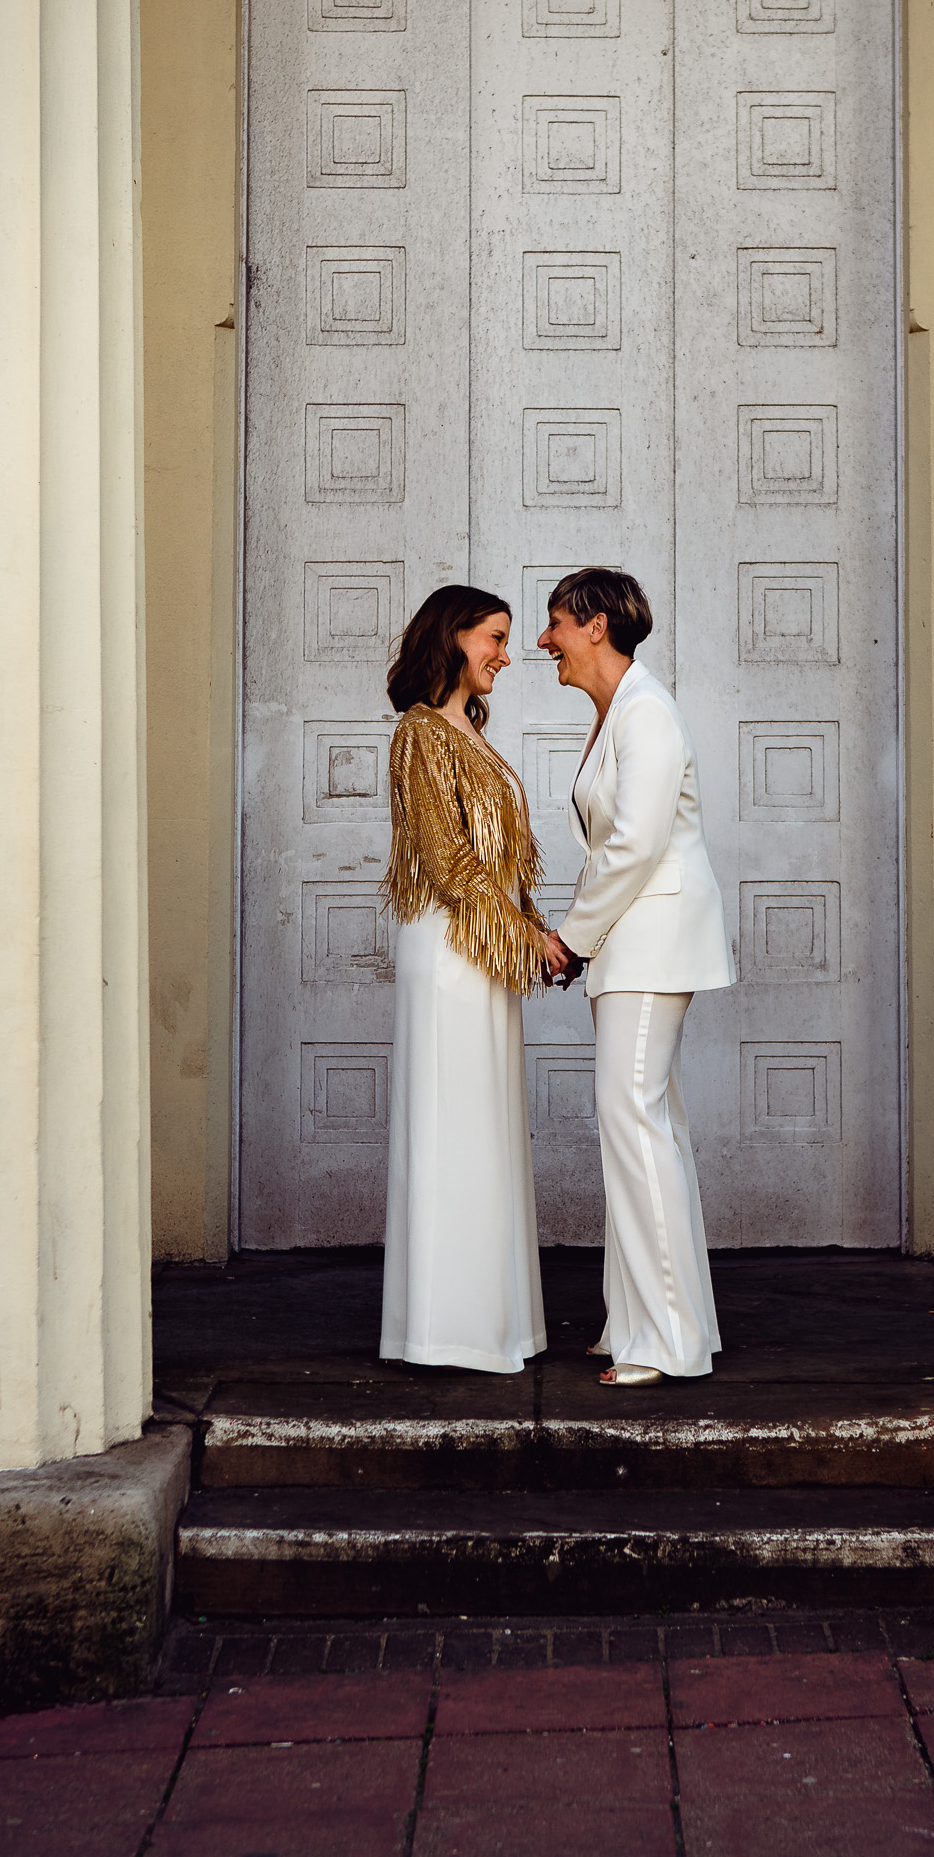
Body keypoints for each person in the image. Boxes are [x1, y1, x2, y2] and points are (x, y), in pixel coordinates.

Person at [539, 569, 735, 1387]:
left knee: (635, 1127)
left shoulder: (646, 711)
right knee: (648, 1128)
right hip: (634, 946)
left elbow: (634, 845)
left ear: (592, 625)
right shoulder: (621, 710)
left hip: (649, 945)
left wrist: (568, 939)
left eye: (553, 623)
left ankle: (664, 1344)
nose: (542, 641)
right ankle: (644, 1319)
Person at [380, 585, 570, 1374]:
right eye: (493, 637)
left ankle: (493, 1324)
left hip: (481, 945)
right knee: (452, 1129)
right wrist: (524, 935)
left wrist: (533, 929)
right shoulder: (421, 733)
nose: (505, 652)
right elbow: (449, 859)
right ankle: (446, 1330)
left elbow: (498, 860)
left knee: (484, 1130)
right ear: (453, 638)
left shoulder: (469, 728)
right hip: (451, 946)